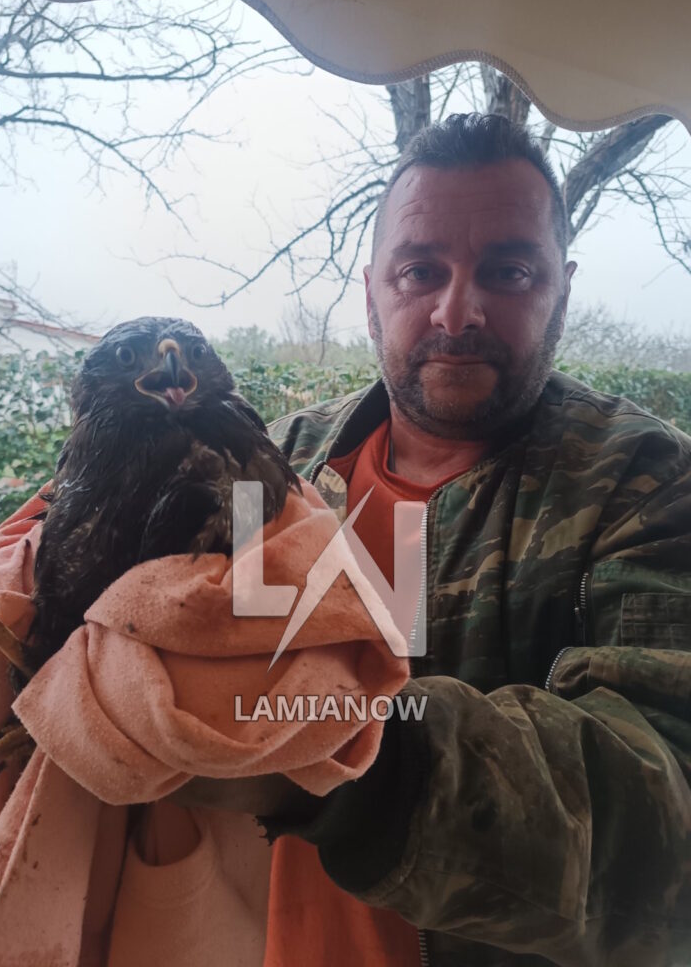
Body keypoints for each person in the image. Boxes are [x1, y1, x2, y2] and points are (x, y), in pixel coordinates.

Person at [192, 112, 691, 966]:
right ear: (371, 292)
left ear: (562, 289)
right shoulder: (273, 464)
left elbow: (666, 809)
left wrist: (330, 753)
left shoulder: (647, 482)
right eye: (420, 271)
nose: (457, 312)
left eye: (509, 271)